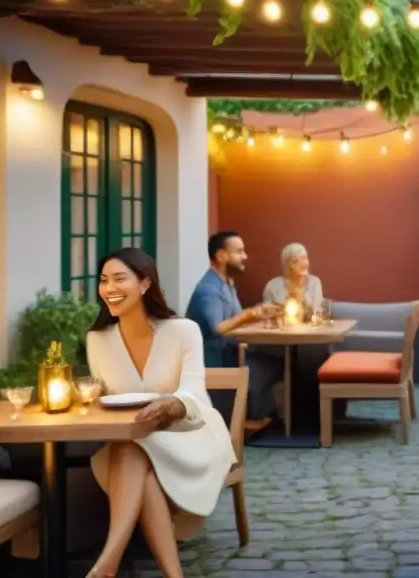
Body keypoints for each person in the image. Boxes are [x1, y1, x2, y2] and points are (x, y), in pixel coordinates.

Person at [85, 247, 236, 578]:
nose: (109, 288)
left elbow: (195, 391)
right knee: (134, 450)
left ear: (144, 285)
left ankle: (107, 563)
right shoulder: (97, 339)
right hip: (136, 434)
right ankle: (164, 574)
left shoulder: (183, 331)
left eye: (119, 279)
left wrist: (175, 404)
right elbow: (103, 397)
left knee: (132, 450)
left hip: (191, 433)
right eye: (103, 280)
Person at [185, 231, 283, 420]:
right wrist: (251, 313)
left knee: (278, 361)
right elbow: (220, 328)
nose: (244, 257)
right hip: (214, 360)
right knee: (273, 364)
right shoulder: (208, 289)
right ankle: (253, 419)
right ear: (222, 256)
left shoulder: (226, 284)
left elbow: (237, 318)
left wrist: (261, 312)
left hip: (230, 352)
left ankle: (265, 417)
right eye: (239, 252)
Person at [262, 242, 326, 312]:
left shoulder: (314, 282)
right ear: (286, 266)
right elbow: (266, 312)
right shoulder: (272, 286)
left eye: (304, 258)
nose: (303, 263)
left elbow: (317, 310)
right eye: (295, 261)